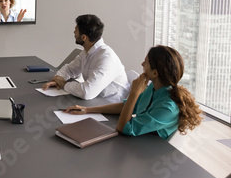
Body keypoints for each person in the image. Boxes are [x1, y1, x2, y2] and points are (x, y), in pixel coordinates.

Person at [64, 45, 203, 140]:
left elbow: (123, 127)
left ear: (155, 73)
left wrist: (134, 93)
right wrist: (88, 110)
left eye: (146, 62)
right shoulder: (153, 88)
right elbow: (126, 106)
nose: (142, 64)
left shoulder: (168, 107)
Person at [42, 14, 129, 102]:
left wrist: (63, 84)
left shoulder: (106, 58)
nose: (74, 32)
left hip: (111, 106)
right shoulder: (88, 50)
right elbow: (70, 69)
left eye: (76, 30)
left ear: (84, 37)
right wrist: (58, 79)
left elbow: (87, 92)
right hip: (95, 101)